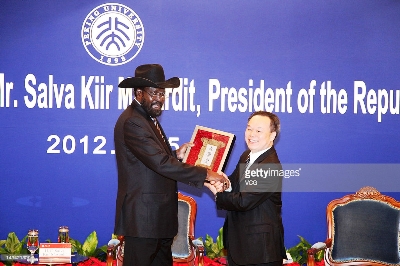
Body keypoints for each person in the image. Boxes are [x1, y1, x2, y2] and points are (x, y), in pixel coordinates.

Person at [114, 64, 227, 265]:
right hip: (144, 222)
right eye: (154, 93)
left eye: (162, 93)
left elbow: (152, 161)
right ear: (139, 93)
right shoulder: (133, 121)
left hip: (158, 220)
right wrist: (207, 174)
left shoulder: (147, 119)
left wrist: (176, 154)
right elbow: (161, 164)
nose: (159, 99)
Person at [205, 111, 287, 266]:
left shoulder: (270, 166)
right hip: (241, 245)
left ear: (272, 135)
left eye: (258, 130)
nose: (252, 134)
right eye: (249, 128)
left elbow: (244, 201)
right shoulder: (247, 155)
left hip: (260, 251)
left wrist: (219, 195)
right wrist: (222, 182)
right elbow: (234, 185)